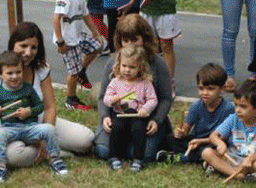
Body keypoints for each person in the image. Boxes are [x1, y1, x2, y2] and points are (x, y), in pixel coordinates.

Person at [0, 22, 95, 167]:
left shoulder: (41, 68)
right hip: (10, 132)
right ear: (13, 44)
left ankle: (49, 147)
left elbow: (50, 107)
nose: (28, 52)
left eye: (33, 47)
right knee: (14, 157)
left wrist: (45, 139)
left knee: (86, 140)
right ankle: (57, 153)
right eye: (23, 45)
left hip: (40, 125)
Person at [95, 14, 174, 162]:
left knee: (141, 155)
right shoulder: (114, 61)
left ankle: (154, 140)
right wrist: (105, 116)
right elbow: (102, 97)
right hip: (118, 117)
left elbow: (165, 98)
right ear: (120, 41)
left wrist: (156, 120)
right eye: (126, 40)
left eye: (135, 39)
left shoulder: (158, 63)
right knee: (103, 150)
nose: (130, 44)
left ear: (144, 38)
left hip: (145, 118)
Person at [0, 50, 69, 183]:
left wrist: (29, 112)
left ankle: (54, 158)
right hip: (9, 128)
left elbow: (40, 107)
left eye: (18, 72)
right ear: (0, 75)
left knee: (49, 129)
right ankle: (0, 165)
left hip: (30, 127)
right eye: (9, 73)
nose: (14, 76)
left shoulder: (28, 89)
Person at [53, 0, 103, 110]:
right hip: (68, 41)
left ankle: (82, 71)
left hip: (78, 36)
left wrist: (97, 33)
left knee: (98, 46)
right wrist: (60, 41)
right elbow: (56, 19)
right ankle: (71, 99)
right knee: (72, 72)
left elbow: (86, 16)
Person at [160, 62, 234, 164]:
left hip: (213, 143)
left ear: (221, 89)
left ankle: (185, 158)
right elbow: (186, 129)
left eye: (210, 89)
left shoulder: (228, 108)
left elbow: (224, 136)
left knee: (218, 148)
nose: (205, 93)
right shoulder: (197, 105)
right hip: (195, 141)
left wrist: (201, 142)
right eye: (201, 88)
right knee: (169, 138)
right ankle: (202, 159)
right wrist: (181, 133)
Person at [204, 78, 256, 182]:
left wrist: (252, 158)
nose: (237, 110)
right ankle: (239, 176)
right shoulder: (233, 118)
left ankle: (220, 169)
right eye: (236, 105)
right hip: (230, 157)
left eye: (243, 106)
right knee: (207, 153)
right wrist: (220, 144)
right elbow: (213, 136)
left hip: (249, 162)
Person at [103, 45, 158, 172]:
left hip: (137, 115)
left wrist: (146, 109)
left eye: (132, 67)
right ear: (119, 65)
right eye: (124, 66)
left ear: (140, 67)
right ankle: (114, 156)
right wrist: (112, 100)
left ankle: (138, 158)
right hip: (119, 113)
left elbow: (152, 99)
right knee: (116, 128)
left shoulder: (145, 83)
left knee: (139, 129)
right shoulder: (115, 82)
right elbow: (106, 98)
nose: (127, 70)